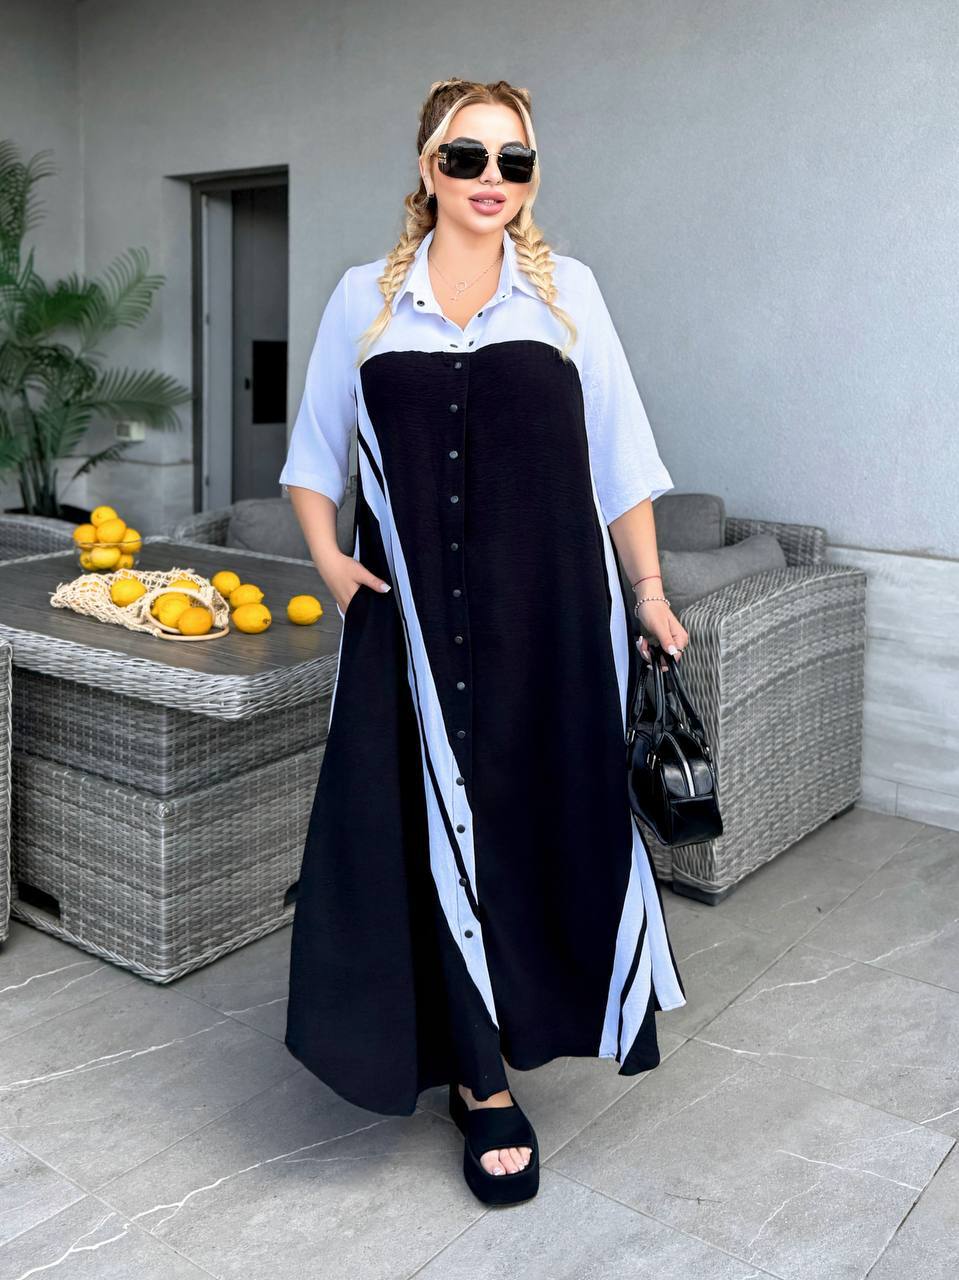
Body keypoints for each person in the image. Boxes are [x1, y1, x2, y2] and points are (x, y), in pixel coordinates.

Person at [278, 76, 689, 1207]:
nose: (491, 179)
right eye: (466, 157)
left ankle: (527, 1027)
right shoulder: (364, 299)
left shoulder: (567, 296)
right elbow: (313, 459)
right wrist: (330, 563)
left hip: (545, 625)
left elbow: (622, 460)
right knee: (419, 836)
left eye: (514, 160)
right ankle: (480, 1081)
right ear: (427, 167)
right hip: (408, 630)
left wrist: (647, 592)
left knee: (536, 826)